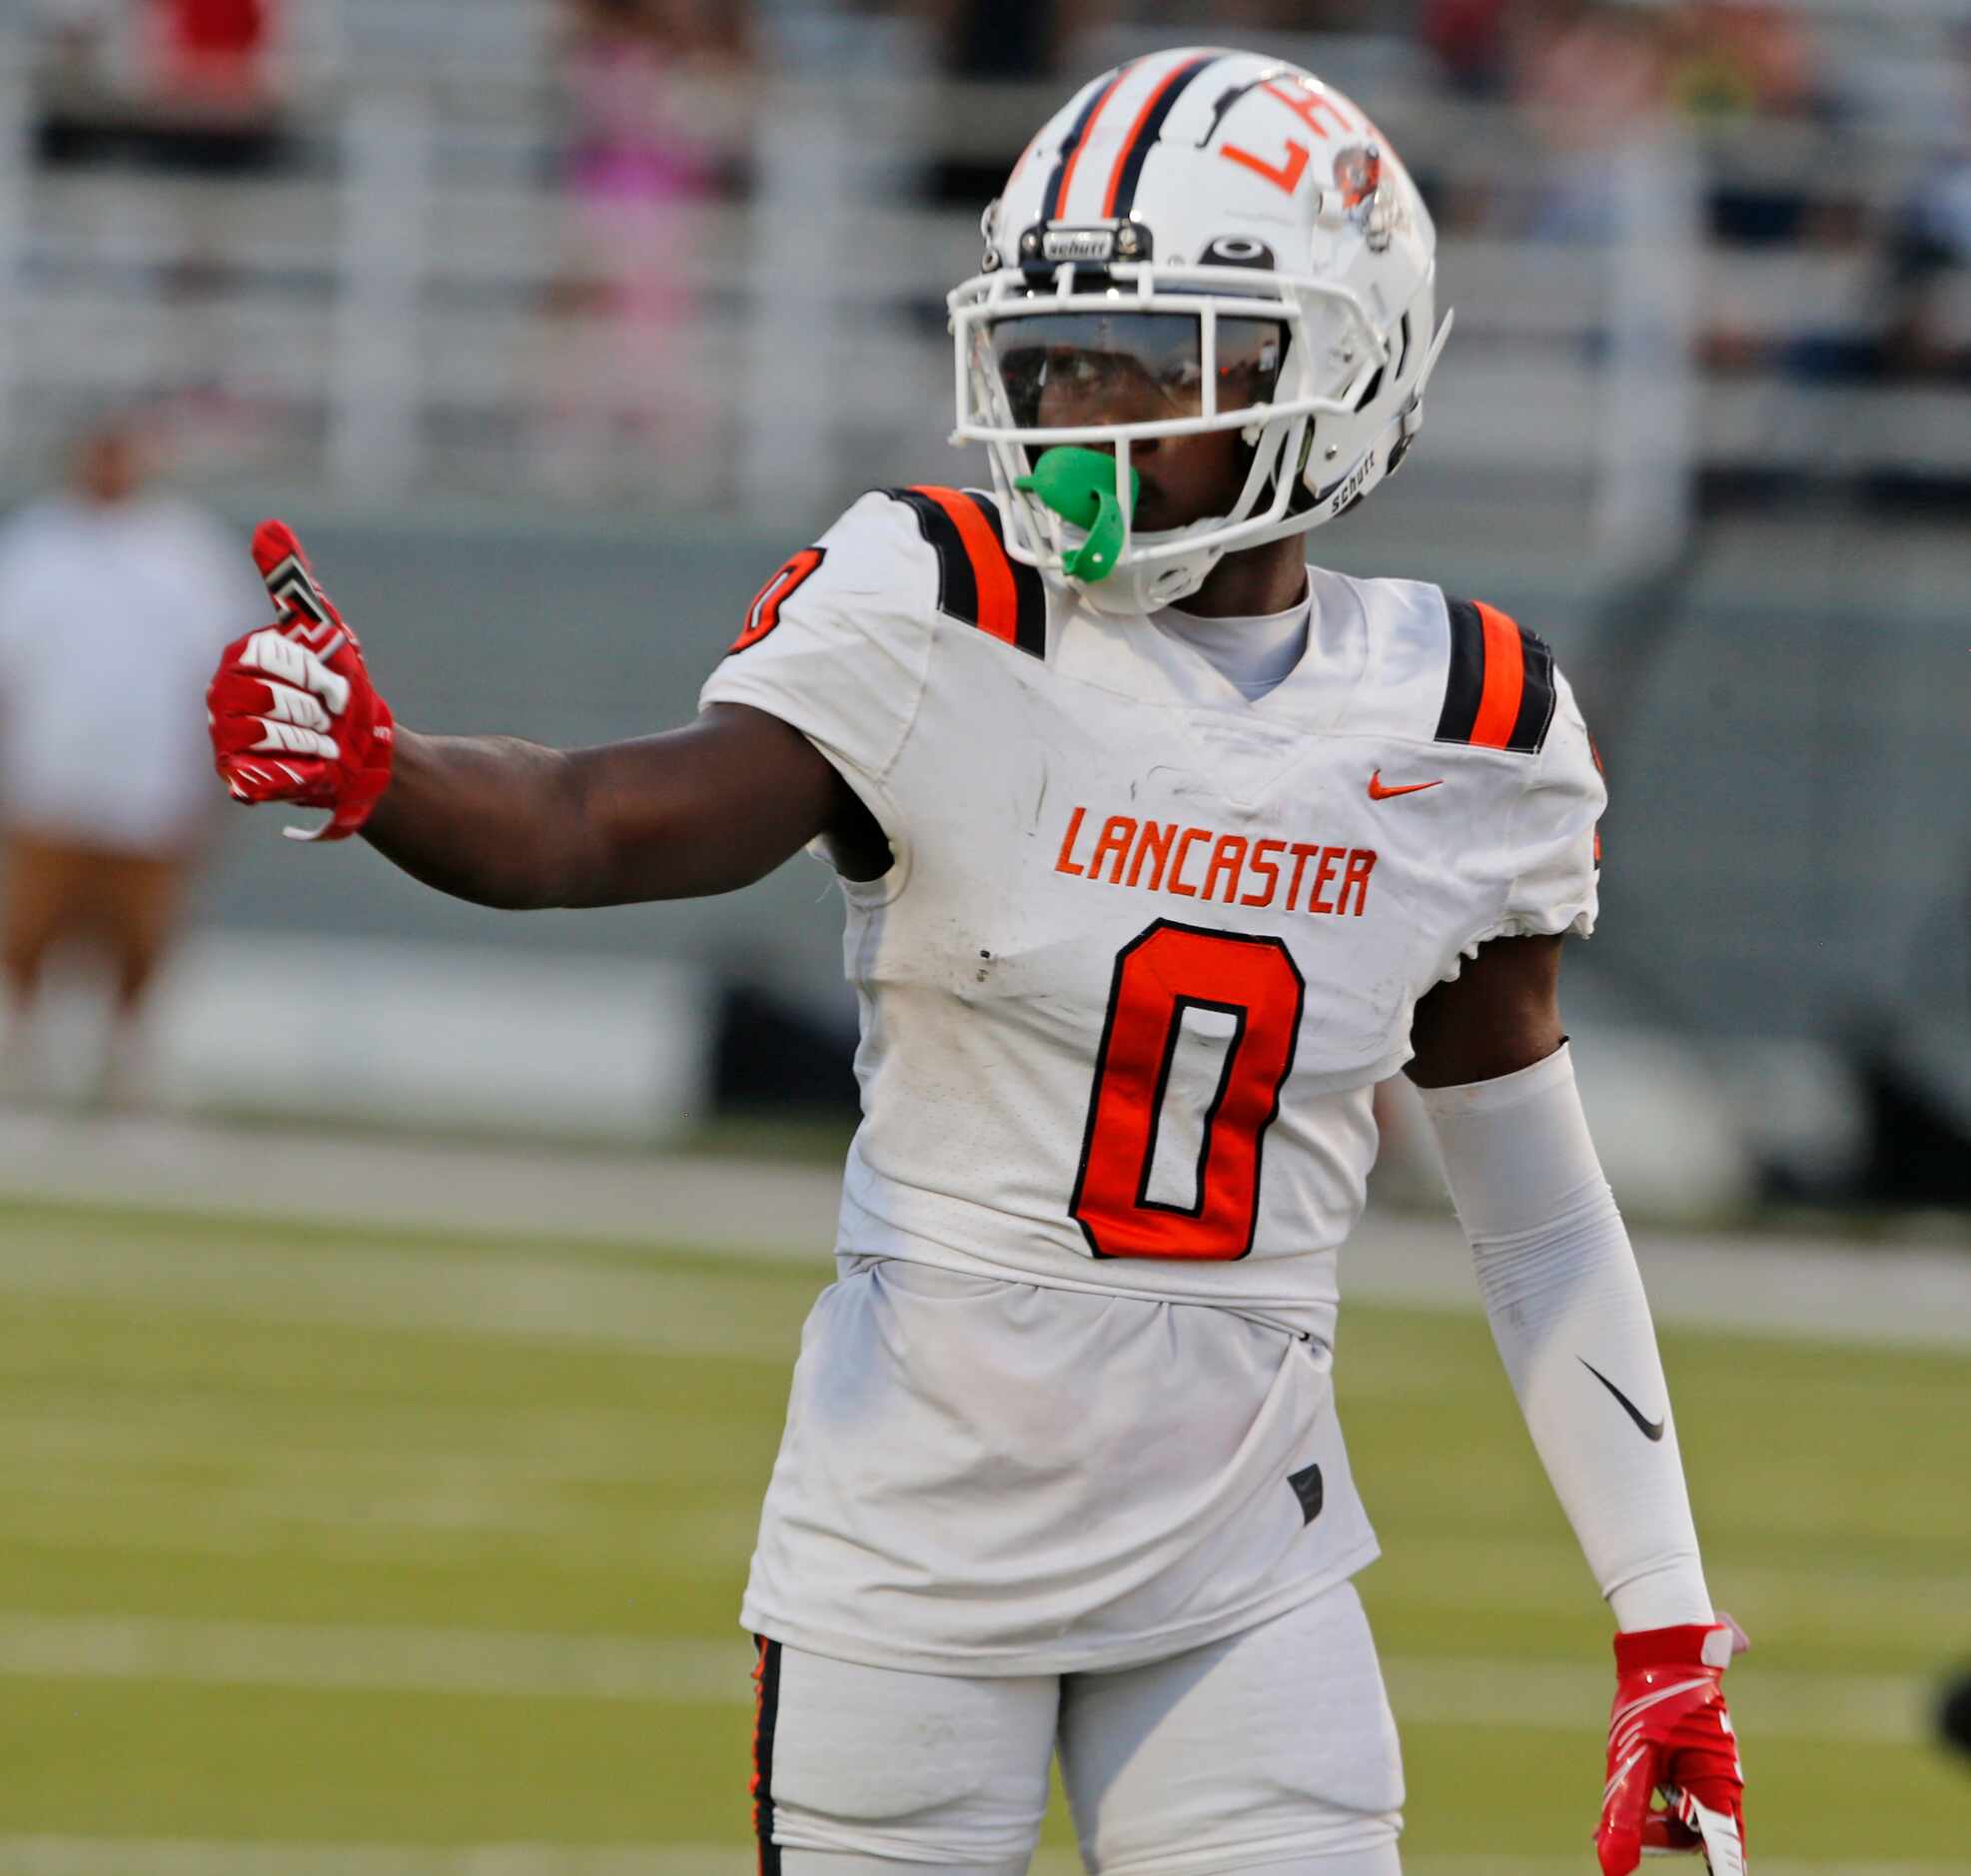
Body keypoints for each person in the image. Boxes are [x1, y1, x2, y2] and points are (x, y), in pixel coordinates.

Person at [205, 48, 1748, 1876]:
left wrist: (1660, 1615)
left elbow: (1539, 1218)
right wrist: (383, 773)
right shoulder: (938, 603)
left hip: (1244, 1576)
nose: (1073, 413)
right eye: (1051, 357)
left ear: (1326, 370)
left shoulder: (1463, 722)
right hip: (906, 1570)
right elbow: (598, 819)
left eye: (1143, 359)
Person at [0, 411, 250, 1106]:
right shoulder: (31, 548)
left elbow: (222, 679)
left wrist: (214, 779)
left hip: (148, 786)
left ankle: (127, 1066)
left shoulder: (186, 553)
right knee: (28, 927)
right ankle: (21, 1061)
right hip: (47, 778)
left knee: (140, 936)